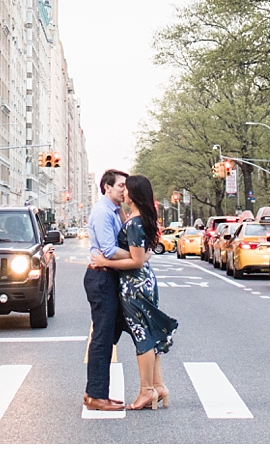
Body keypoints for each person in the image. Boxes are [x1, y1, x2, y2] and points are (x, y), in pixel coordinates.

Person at [90, 174, 178, 409]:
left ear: (134, 195)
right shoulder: (136, 220)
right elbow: (143, 255)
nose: (123, 192)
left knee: (142, 335)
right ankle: (158, 387)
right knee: (148, 331)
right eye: (121, 187)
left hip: (134, 284)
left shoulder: (135, 223)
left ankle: (147, 391)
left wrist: (105, 262)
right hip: (142, 281)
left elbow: (136, 260)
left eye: (126, 189)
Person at [83, 169, 129, 412]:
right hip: (101, 277)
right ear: (107, 187)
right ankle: (96, 395)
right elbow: (109, 250)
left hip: (108, 276)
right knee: (102, 337)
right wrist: (136, 256)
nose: (125, 189)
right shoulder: (102, 212)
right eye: (121, 185)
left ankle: (97, 392)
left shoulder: (113, 211)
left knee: (108, 334)